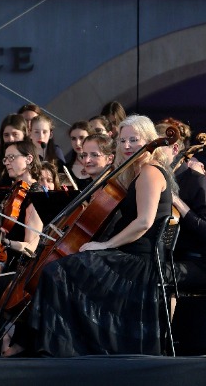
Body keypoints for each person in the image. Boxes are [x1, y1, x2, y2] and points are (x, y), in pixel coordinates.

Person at [27, 114, 173, 356]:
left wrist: (106, 245)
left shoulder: (150, 172)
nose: (127, 146)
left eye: (134, 140)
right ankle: (73, 350)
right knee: (61, 270)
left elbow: (144, 222)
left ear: (149, 141)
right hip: (127, 255)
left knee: (58, 272)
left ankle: (68, 350)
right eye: (123, 141)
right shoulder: (134, 172)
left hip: (138, 263)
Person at [156, 118, 206, 291]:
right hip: (163, 257)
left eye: (159, 148)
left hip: (195, 262)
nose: (153, 154)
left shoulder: (199, 183)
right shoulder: (154, 179)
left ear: (175, 149)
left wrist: (176, 200)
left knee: (151, 273)